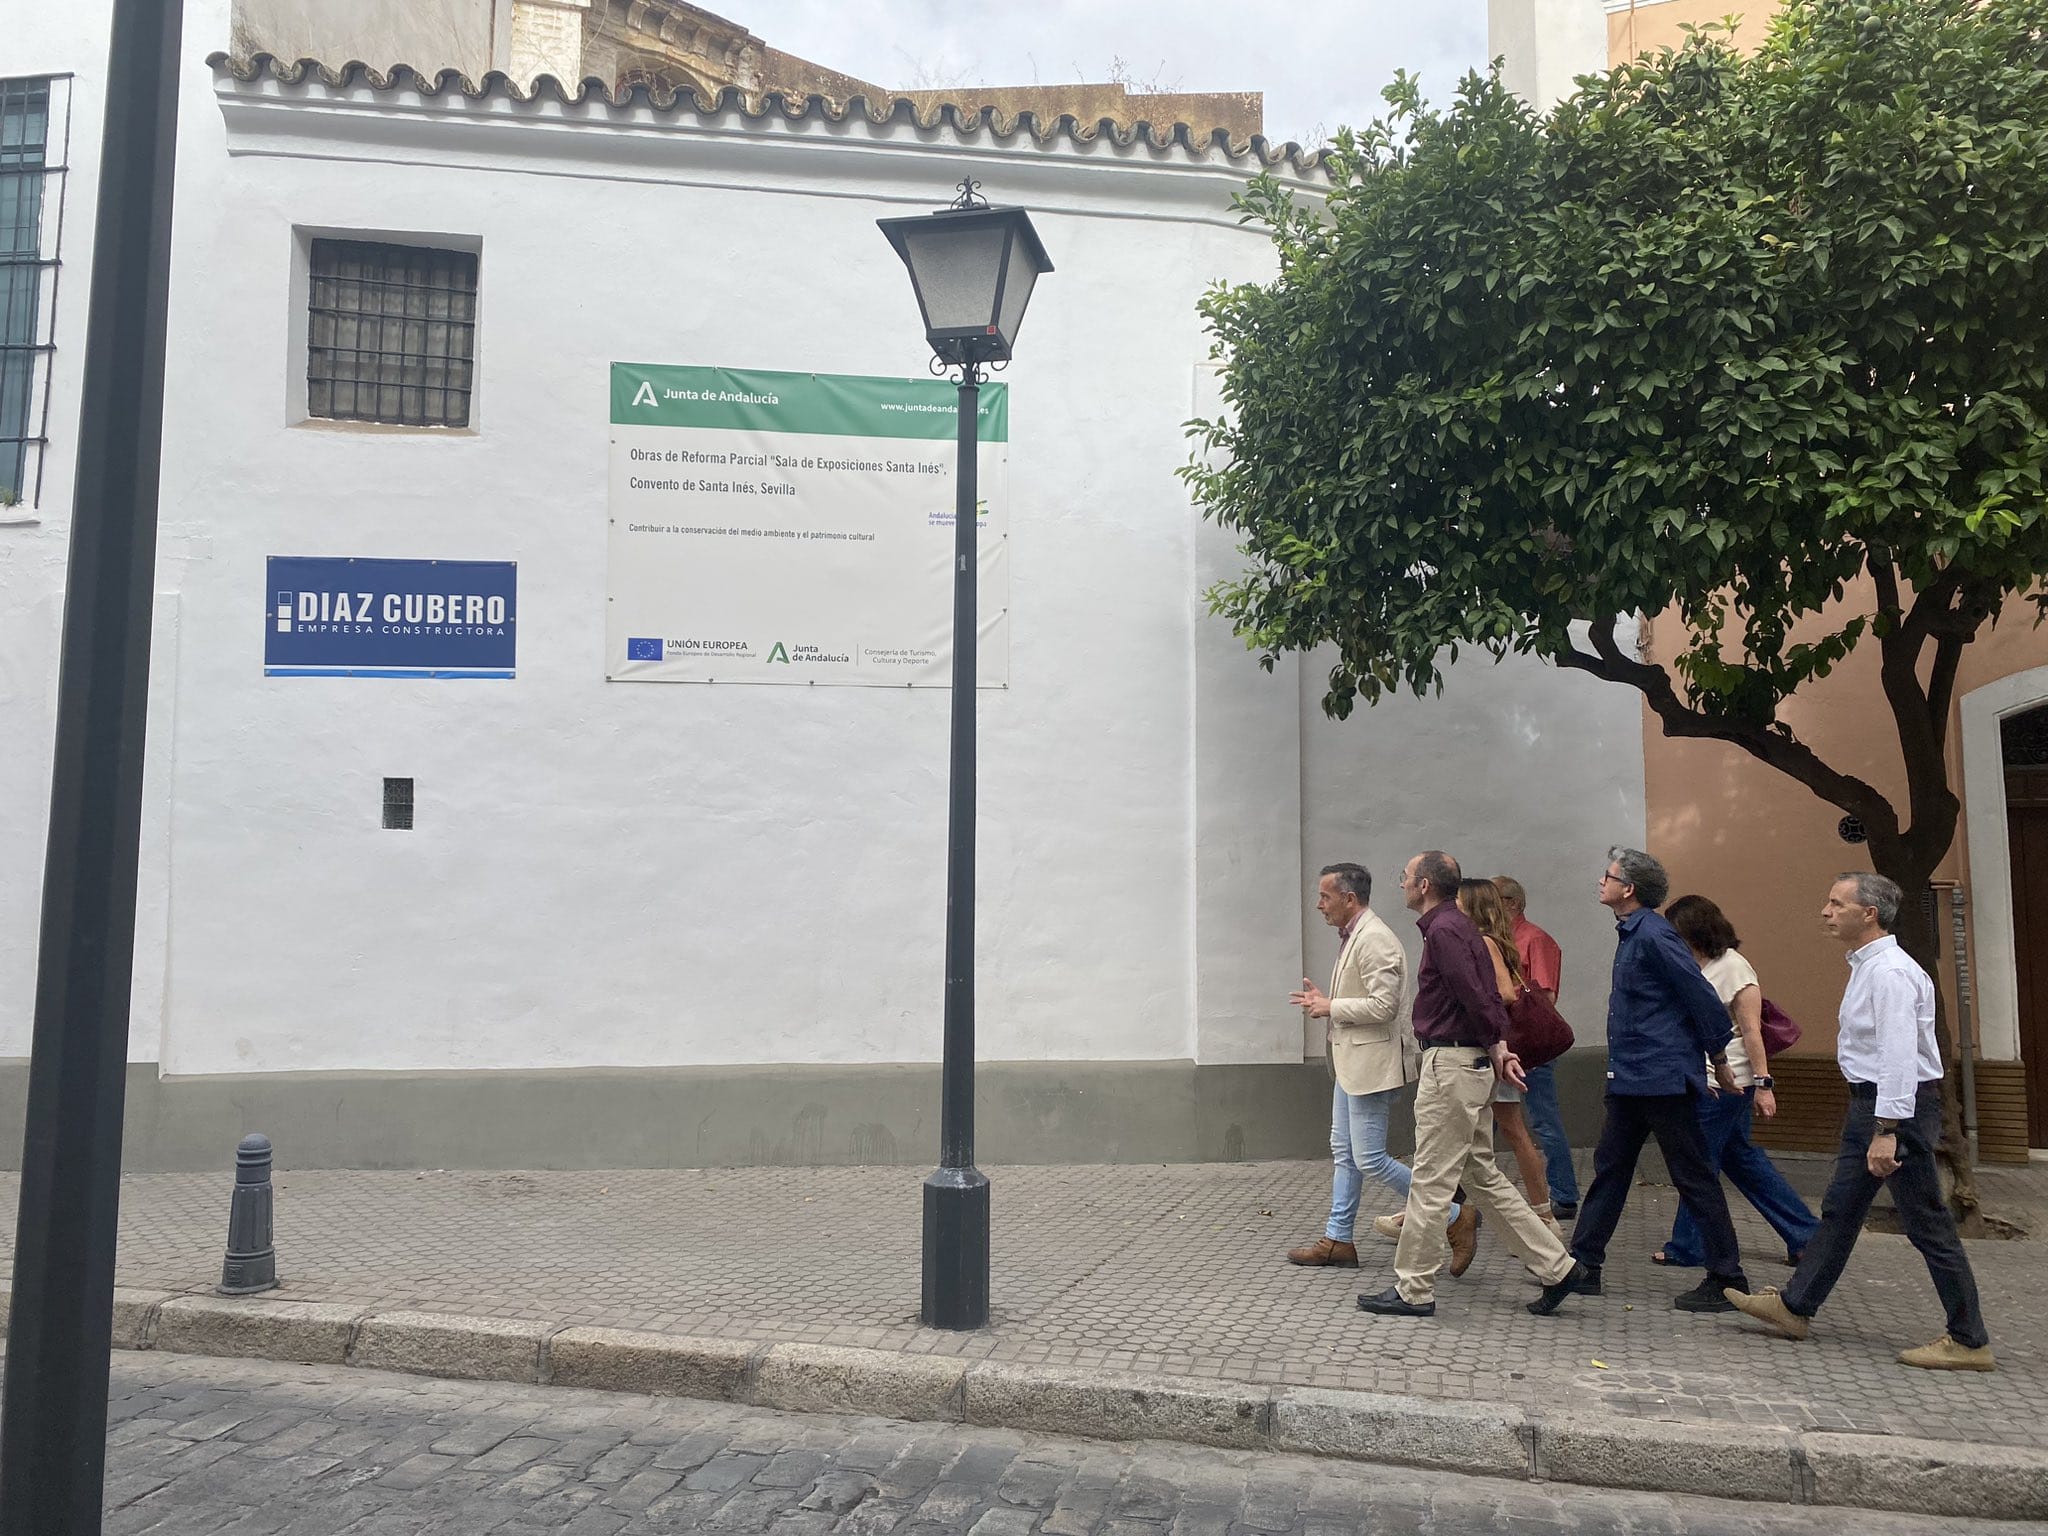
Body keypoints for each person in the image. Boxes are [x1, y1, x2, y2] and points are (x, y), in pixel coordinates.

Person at [1723, 874, 1994, 1371]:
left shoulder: (1888, 973)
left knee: (1926, 1222)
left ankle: (1969, 1338)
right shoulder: (1872, 967)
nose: (1825, 911)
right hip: (1880, 1105)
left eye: (1836, 903)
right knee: (1842, 1209)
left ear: (1869, 913)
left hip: (1893, 1107)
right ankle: (1795, 1306)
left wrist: (1887, 1129)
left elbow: (1897, 1055)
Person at [1356, 851, 1590, 1319]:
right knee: (1480, 1175)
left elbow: (1475, 994)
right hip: (1470, 1063)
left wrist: (1496, 1044)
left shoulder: (1444, 930)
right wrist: (1497, 1046)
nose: (1400, 882)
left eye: (1404, 877)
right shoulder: (1458, 927)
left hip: (1453, 1065)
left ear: (1424, 885)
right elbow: (1483, 996)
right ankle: (1558, 1268)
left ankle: (1413, 1288)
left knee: (1430, 1178)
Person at [1566, 848, 1753, 1312]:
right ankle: (1583, 1266)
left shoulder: (1654, 935)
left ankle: (1728, 1278)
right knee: (1610, 1169)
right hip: (1634, 1077)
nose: (1600, 882)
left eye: (1607, 876)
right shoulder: (1634, 934)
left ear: (1627, 889)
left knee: (1692, 1176)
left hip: (1663, 1077)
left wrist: (1719, 1058)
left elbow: (1702, 997)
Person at [1285, 862, 1440, 1267]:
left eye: (1325, 896)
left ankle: (1455, 1215)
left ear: (1349, 899)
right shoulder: (1358, 935)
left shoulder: (1375, 939)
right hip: (1353, 1063)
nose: (1320, 905)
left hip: (1373, 1065)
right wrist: (1327, 1001)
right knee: (1344, 1151)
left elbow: (1384, 1006)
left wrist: (1330, 1006)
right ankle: (1338, 1239)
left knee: (1370, 1158)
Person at [1652, 895, 1816, 1270]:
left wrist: (1764, 1084)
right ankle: (1806, 1235)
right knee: (1740, 1160)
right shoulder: (1697, 964)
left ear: (1695, 930)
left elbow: (1751, 1031)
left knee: (1698, 1164)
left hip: (1729, 1083)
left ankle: (1688, 1246)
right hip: (1704, 1079)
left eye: (1676, 930)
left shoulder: (1735, 969)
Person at [1460, 878, 1564, 1242]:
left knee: (1516, 1130)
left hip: (1498, 1049)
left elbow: (1506, 993)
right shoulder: (1498, 939)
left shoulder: (1487, 941)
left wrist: (1473, 1004)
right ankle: (1542, 1214)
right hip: (1499, 1049)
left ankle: (1545, 1215)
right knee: (1487, 1133)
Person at [1493, 876, 1580, 1219]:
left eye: (1493, 899)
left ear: (1512, 903)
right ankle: (1461, 1199)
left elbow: (1545, 996)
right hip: (1504, 1043)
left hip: (1528, 1044)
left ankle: (1564, 1195)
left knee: (1543, 1121)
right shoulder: (1498, 941)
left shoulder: (1535, 939)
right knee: (1489, 1123)